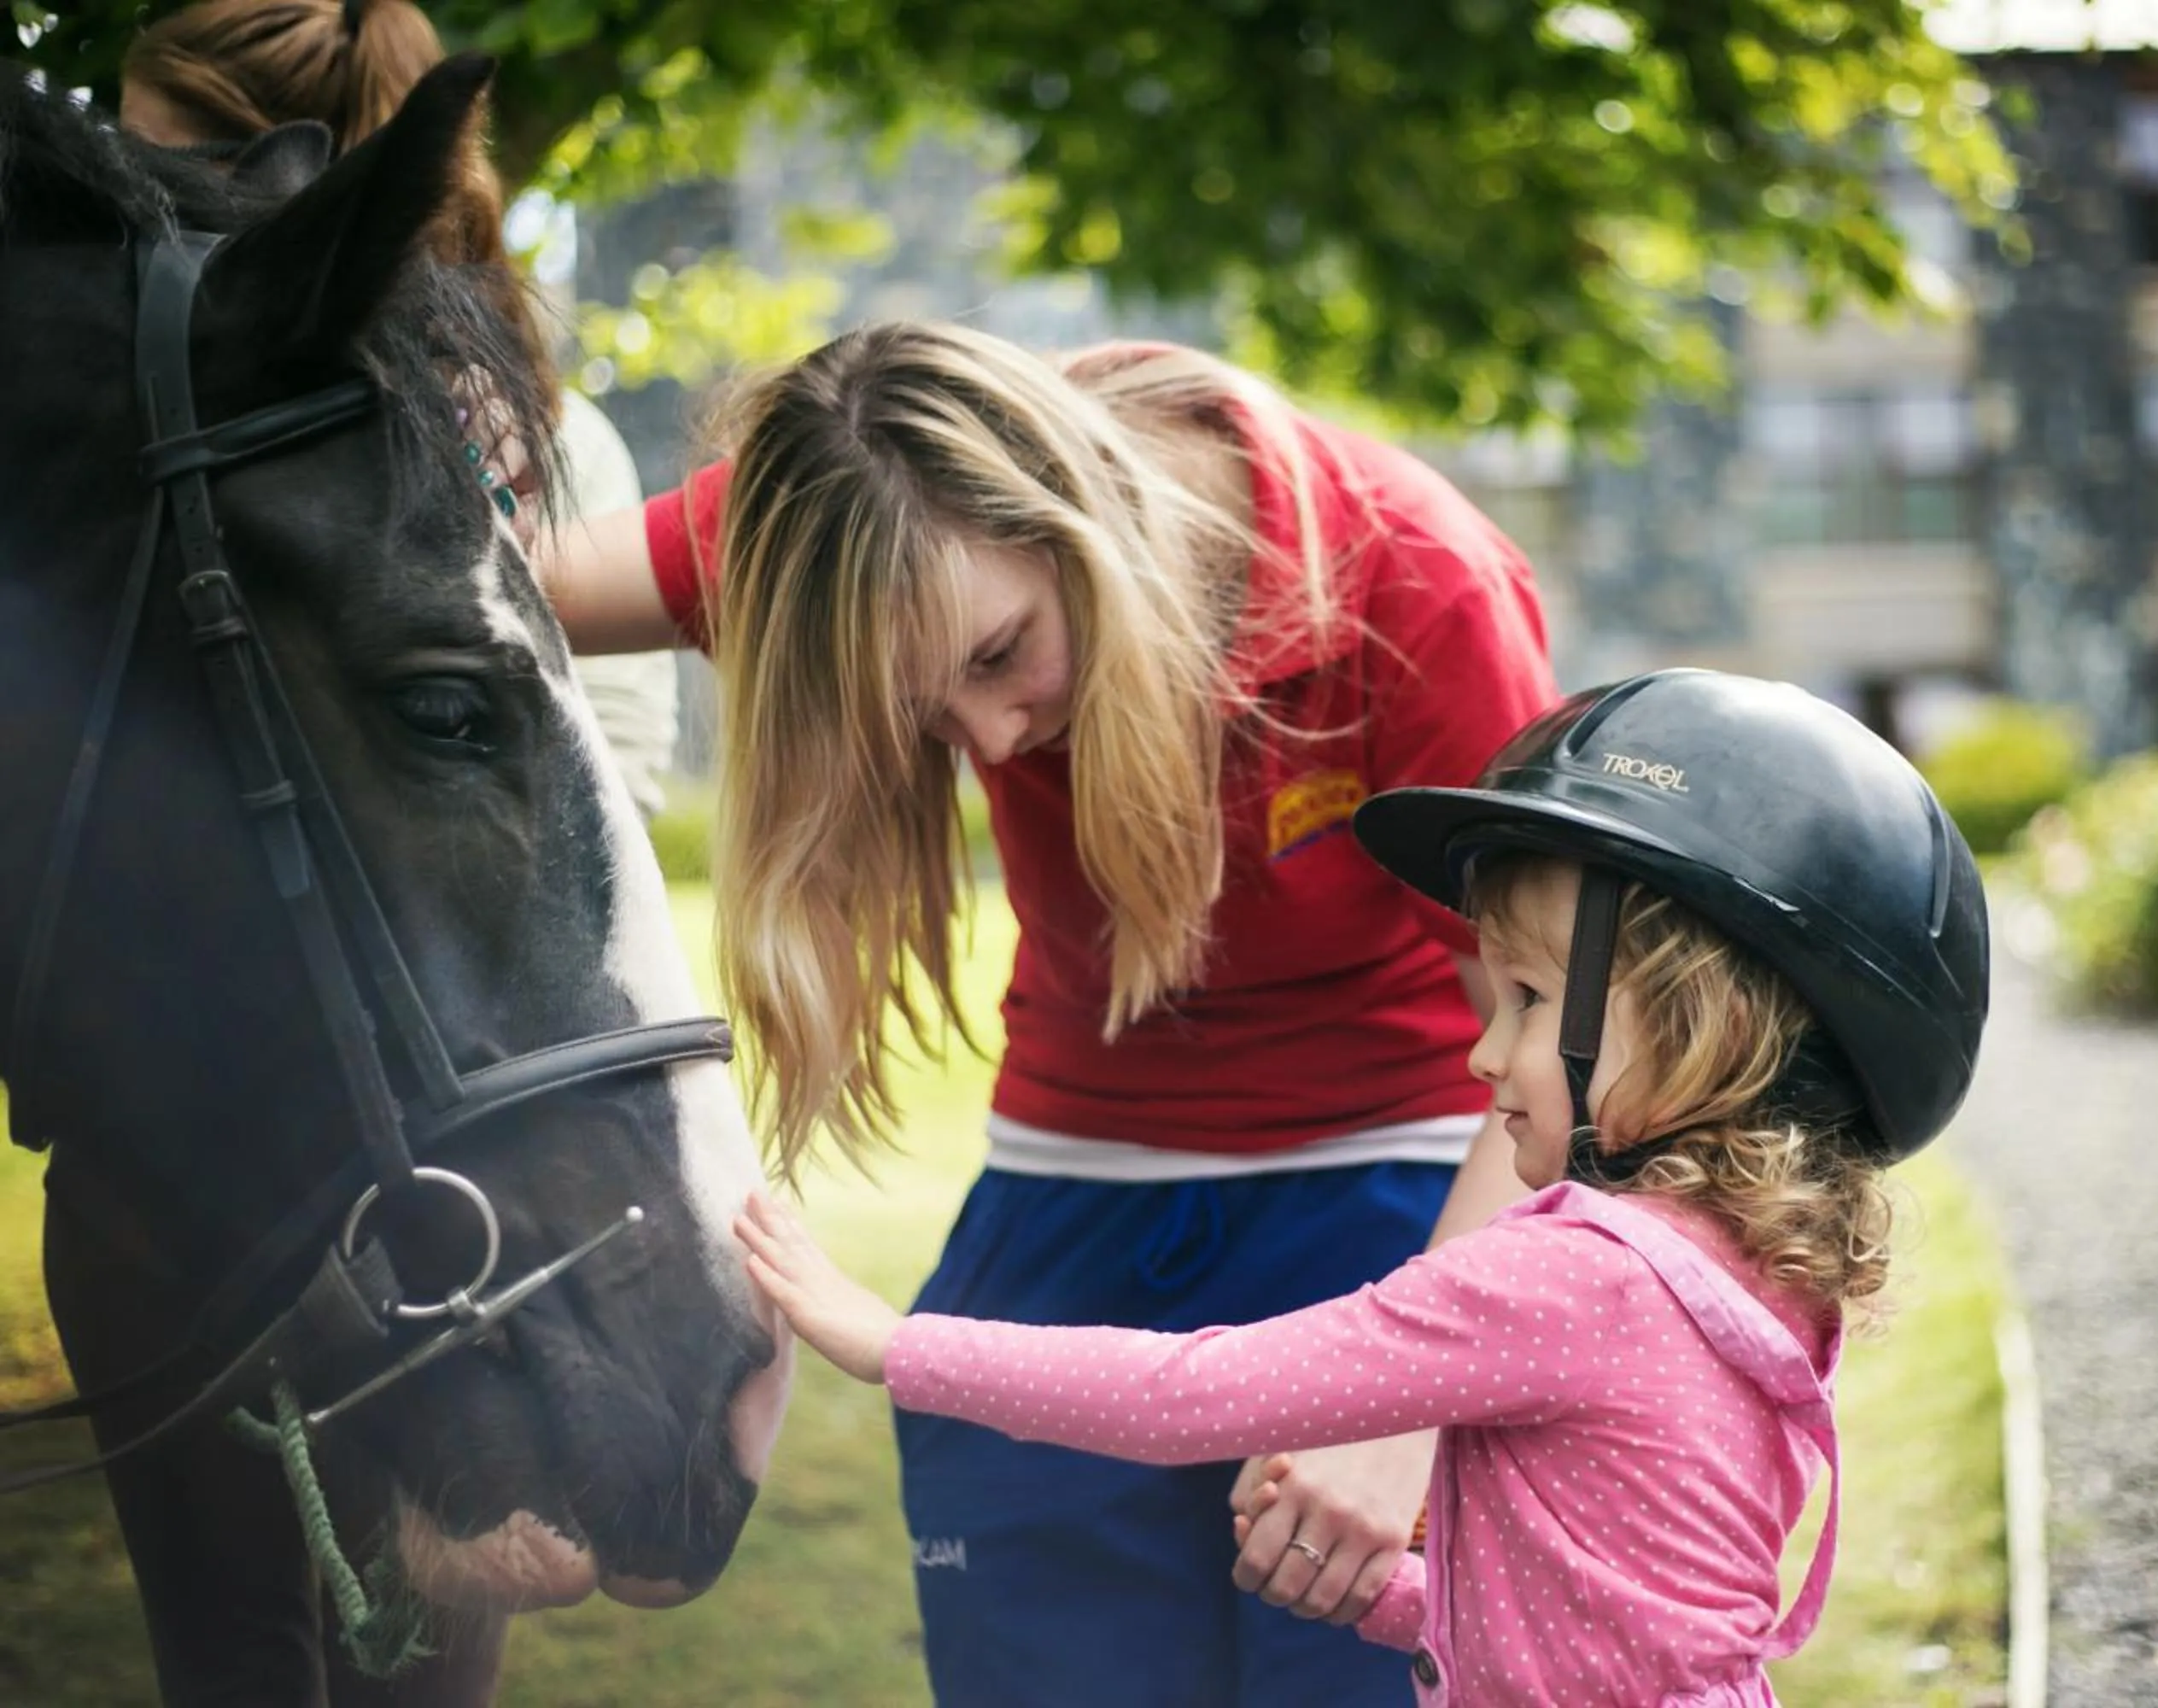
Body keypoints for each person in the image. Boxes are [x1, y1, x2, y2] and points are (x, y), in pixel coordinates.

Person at [543, 320, 1559, 1702]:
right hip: (1064, 1210)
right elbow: (463, 575)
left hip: (1405, 1204)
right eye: (926, 715)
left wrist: (1417, 1396)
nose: (995, 744)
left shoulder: (1414, 582)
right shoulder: (846, 508)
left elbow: (1560, 1041)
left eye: (998, 653)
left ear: (1073, 516)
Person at [731, 667, 1996, 1705]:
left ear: (1700, 1023)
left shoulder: (1577, 1275)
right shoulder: (1741, 1271)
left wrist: (895, 1345)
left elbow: (1198, 1391)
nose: (1483, 1053)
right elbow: (1612, 1623)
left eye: (1530, 999)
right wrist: (1392, 1600)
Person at [118, 0, 682, 823]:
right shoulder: (140, 406)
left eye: (153, 164)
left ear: (284, 181)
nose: (128, 200)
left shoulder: (538, 445)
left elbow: (610, 773)